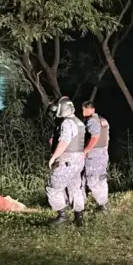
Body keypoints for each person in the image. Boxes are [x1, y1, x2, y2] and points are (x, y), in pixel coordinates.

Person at [46, 97, 86, 227]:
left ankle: (62, 217)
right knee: (75, 187)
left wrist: (53, 157)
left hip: (67, 160)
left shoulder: (67, 123)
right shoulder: (79, 122)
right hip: (78, 160)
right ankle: (79, 217)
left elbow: (64, 141)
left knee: (54, 187)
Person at [81, 101, 110, 212]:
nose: (83, 112)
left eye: (84, 109)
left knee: (92, 179)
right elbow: (107, 138)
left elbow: (95, 137)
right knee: (101, 178)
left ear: (91, 109)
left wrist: (86, 150)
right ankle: (103, 203)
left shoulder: (92, 121)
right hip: (103, 152)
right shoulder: (103, 120)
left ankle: (101, 204)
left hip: (93, 154)